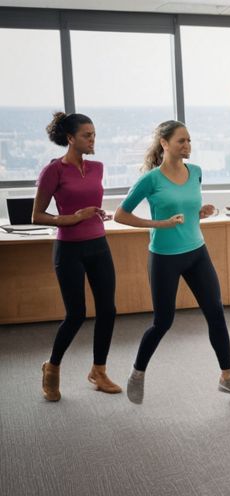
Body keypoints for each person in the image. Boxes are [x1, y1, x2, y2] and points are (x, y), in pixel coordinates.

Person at [114, 120, 230, 404]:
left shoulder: (196, 172)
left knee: (216, 312)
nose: (188, 146)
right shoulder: (150, 179)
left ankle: (227, 376)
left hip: (197, 252)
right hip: (164, 258)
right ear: (164, 144)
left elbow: (185, 207)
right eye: (181, 141)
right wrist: (159, 223)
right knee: (163, 322)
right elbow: (121, 215)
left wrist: (198, 212)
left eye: (189, 140)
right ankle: (138, 372)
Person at [34, 112, 120, 401]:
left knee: (108, 310)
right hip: (69, 249)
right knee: (76, 315)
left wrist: (96, 213)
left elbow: (89, 203)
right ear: (70, 138)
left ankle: (99, 370)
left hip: (99, 245)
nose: (92, 139)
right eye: (87, 135)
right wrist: (69, 219)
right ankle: (52, 367)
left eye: (94, 134)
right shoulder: (53, 170)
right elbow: (37, 215)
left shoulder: (97, 167)